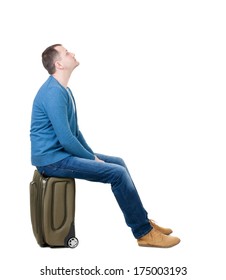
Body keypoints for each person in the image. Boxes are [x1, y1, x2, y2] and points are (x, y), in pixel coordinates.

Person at [30, 44, 180, 248]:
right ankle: (144, 233)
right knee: (117, 174)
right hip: (52, 160)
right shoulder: (53, 93)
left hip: (60, 155)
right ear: (59, 64)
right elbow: (66, 140)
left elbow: (75, 133)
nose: (72, 53)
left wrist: (90, 154)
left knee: (118, 163)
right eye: (66, 53)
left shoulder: (64, 90)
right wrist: (92, 159)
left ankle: (143, 221)